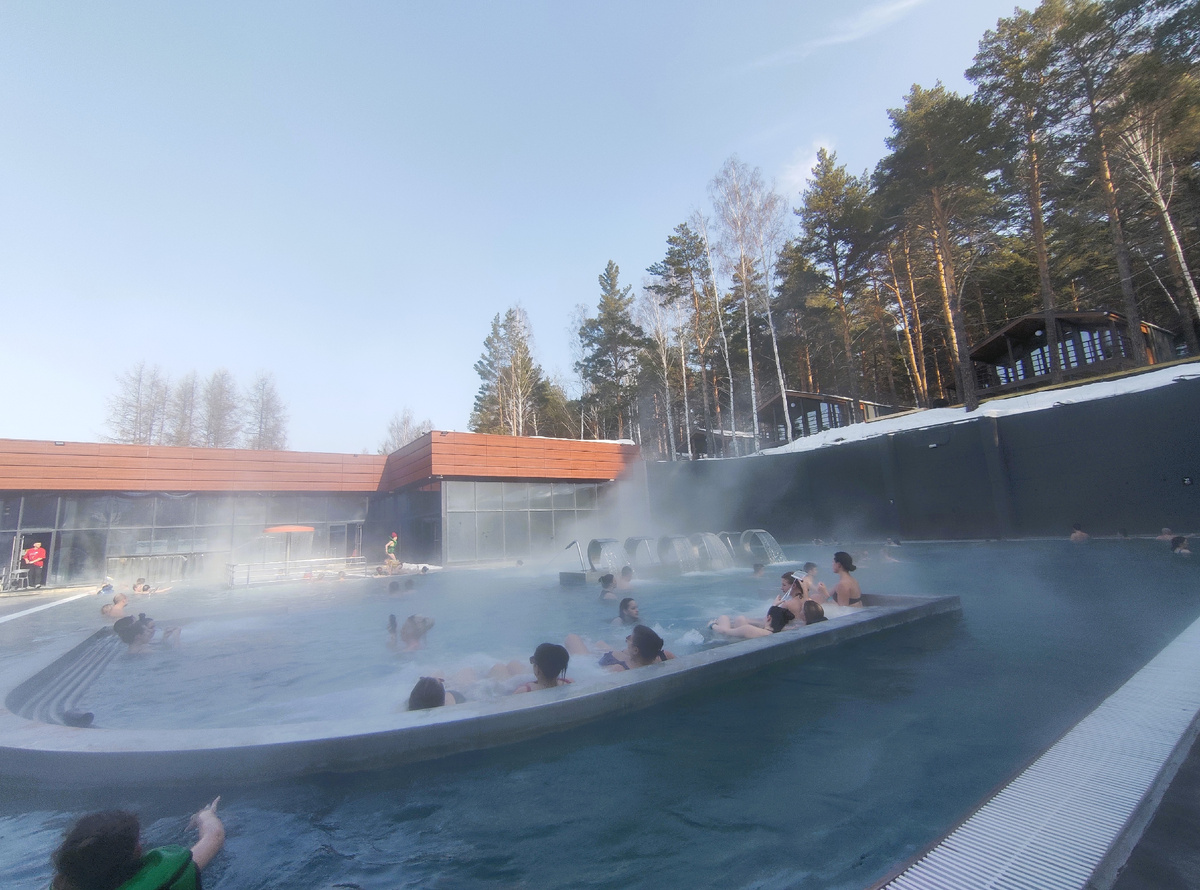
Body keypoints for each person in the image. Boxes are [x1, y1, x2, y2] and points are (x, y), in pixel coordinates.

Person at [51, 797, 224, 890]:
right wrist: (205, 815)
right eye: (137, 842)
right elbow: (213, 835)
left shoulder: (67, 882)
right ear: (137, 851)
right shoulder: (170, 875)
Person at [592, 625, 674, 672]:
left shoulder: (619, 669)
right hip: (619, 657)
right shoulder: (665, 656)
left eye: (629, 638)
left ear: (635, 650)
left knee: (598, 643)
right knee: (600, 644)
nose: (627, 640)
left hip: (611, 660)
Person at [113, 614, 180, 653]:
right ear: (138, 636)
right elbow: (174, 653)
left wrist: (164, 639)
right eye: (146, 630)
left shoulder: (134, 648)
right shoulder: (145, 651)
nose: (150, 631)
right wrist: (176, 637)